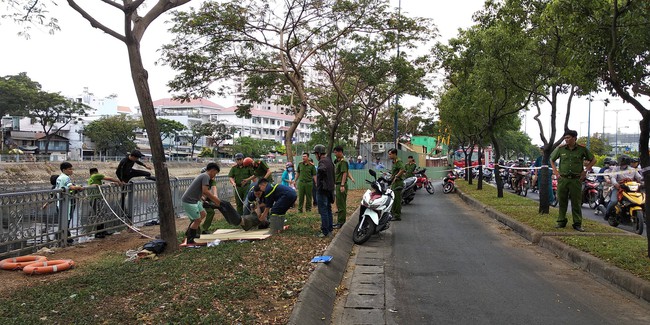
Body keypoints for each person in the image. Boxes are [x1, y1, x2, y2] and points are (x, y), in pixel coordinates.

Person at [550, 129, 596, 232]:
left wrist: (585, 171)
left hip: (576, 180)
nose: (566, 140)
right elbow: (552, 160)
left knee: (576, 202)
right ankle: (561, 221)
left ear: (574, 138)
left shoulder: (582, 149)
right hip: (563, 179)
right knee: (562, 201)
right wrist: (556, 172)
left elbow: (593, 160)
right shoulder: (561, 149)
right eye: (565, 138)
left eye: (568, 137)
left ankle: (577, 223)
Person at [181, 162, 222, 244]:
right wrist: (216, 200)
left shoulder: (204, 176)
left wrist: (203, 199)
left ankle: (193, 232)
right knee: (197, 220)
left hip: (196, 200)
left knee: (203, 214)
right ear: (212, 170)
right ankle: (190, 238)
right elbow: (205, 191)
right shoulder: (206, 176)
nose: (214, 175)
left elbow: (199, 190)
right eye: (215, 173)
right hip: (189, 201)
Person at [87, 168, 123, 238]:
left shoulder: (92, 178)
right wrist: (119, 181)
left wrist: (110, 184)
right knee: (99, 215)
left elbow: (101, 184)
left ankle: (103, 231)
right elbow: (110, 178)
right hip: (96, 199)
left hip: (95, 199)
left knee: (101, 214)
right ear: (96, 172)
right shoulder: (95, 176)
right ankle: (99, 233)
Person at [55, 162, 85, 244]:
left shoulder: (59, 177)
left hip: (59, 202)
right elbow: (70, 187)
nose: (71, 171)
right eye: (69, 169)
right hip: (66, 203)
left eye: (72, 169)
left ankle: (62, 238)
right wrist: (79, 187)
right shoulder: (66, 178)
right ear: (64, 170)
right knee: (66, 220)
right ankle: (66, 238)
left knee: (62, 220)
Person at [313, 144, 335, 238]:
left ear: (318, 153)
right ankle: (329, 229)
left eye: (315, 154)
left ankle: (325, 231)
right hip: (329, 189)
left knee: (323, 211)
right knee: (328, 210)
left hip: (322, 190)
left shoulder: (322, 162)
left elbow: (322, 170)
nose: (315, 156)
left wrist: (320, 181)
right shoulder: (329, 161)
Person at [200, 166, 221, 234]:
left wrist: (215, 196)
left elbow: (214, 187)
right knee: (198, 215)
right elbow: (202, 192)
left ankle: (204, 228)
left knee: (211, 212)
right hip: (199, 199)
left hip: (206, 198)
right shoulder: (200, 181)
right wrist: (203, 200)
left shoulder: (211, 180)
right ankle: (194, 230)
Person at [333, 146, 349, 229]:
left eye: (336, 152)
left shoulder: (343, 162)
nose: (335, 154)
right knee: (339, 203)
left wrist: (342, 185)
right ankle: (340, 221)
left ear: (340, 152)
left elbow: (344, 173)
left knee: (341, 204)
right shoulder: (338, 161)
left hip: (341, 184)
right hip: (338, 184)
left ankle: (341, 222)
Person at [388, 148, 406, 221]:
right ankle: (393, 213)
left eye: (390, 154)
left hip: (398, 182)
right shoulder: (394, 162)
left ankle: (397, 215)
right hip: (395, 182)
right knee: (394, 199)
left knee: (397, 199)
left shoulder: (398, 161)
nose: (389, 156)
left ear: (394, 154)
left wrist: (396, 176)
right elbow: (395, 171)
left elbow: (402, 169)